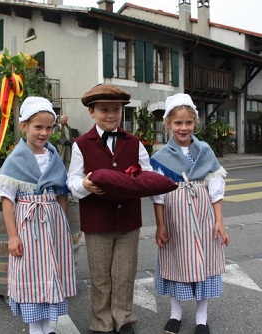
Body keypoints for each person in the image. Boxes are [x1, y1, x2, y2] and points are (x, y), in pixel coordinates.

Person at [67, 83, 152, 334]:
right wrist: (85, 185)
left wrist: (140, 182)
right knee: (101, 276)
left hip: (128, 220)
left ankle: (123, 317)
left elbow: (148, 174)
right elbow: (72, 180)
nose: (111, 115)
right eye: (104, 109)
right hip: (97, 221)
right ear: (92, 112)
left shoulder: (134, 142)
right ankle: (101, 321)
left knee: (125, 274)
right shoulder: (81, 144)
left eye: (116, 109)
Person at [0, 96, 76, 334]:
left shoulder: (53, 157)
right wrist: (12, 236)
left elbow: (61, 193)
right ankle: (34, 328)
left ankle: (48, 327)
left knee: (51, 271)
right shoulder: (16, 160)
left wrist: (64, 225)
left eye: (49, 128)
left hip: (53, 223)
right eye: (38, 127)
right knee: (31, 272)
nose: (44, 133)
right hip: (28, 224)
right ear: (24, 126)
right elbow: (7, 200)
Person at [150, 93, 229, 334]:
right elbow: (158, 196)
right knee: (176, 261)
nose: (183, 128)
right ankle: (175, 313)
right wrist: (160, 225)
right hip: (176, 218)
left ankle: (201, 318)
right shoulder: (161, 157)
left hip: (203, 215)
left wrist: (219, 221)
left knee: (203, 263)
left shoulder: (204, 150)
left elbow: (215, 190)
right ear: (168, 125)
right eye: (178, 123)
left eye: (188, 123)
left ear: (194, 123)